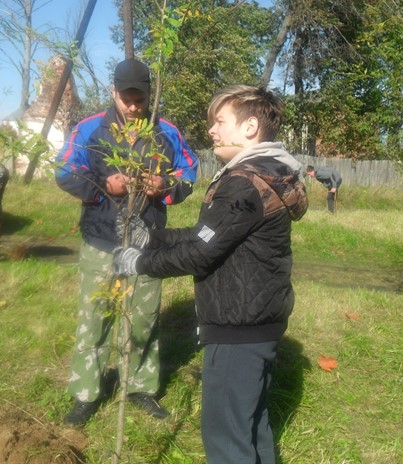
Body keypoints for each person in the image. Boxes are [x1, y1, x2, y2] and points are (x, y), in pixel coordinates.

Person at [113, 85, 308, 463]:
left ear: (250, 126)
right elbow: (210, 235)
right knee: (252, 428)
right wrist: (152, 238)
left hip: (238, 327)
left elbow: (201, 253)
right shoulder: (262, 174)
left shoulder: (244, 182)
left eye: (219, 121)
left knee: (226, 440)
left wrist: (138, 262)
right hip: (257, 322)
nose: (212, 131)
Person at [55, 57, 198, 426]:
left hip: (147, 244)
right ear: (114, 92)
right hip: (102, 241)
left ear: (150, 93)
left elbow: (190, 172)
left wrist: (163, 186)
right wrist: (104, 184)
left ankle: (140, 389)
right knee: (95, 317)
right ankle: (87, 393)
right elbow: (65, 170)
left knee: (145, 320)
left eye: (139, 99)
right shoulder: (90, 129)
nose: (133, 106)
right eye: (126, 98)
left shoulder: (165, 131)